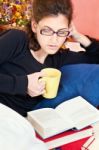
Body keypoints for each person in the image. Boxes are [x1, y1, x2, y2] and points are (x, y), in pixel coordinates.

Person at [0, 0, 99, 117]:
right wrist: (23, 84)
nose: (54, 40)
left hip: (29, 122)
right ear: (34, 26)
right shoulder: (17, 40)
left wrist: (79, 36)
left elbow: (95, 59)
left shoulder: (59, 57)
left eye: (61, 32)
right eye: (47, 30)